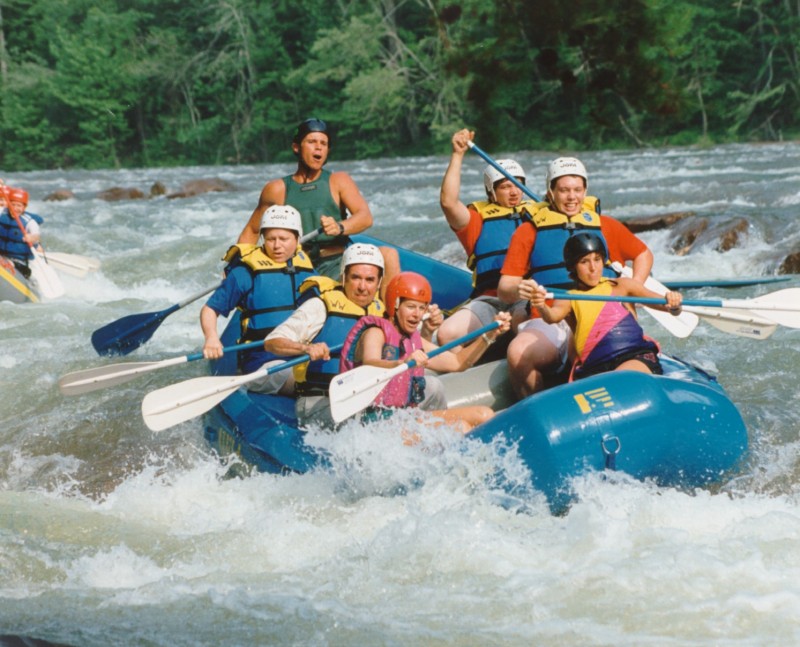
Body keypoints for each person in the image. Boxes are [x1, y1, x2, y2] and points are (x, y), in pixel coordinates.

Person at [498, 156, 655, 397]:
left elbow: (643, 254)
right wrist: (522, 289)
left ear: (585, 191)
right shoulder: (528, 231)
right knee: (518, 353)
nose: (572, 197)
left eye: (577, 190)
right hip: (552, 317)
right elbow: (504, 287)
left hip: (601, 315)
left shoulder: (605, 225)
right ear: (550, 192)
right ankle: (541, 411)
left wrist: (631, 290)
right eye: (564, 190)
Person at [237, 117, 400, 291]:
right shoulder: (276, 189)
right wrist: (236, 266)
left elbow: (365, 217)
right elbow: (252, 231)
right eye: (312, 142)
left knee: (389, 255)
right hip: (299, 266)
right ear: (296, 147)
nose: (318, 147)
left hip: (338, 263)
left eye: (324, 143)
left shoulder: (339, 181)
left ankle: (389, 316)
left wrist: (340, 227)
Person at [339, 272, 511, 434]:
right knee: (461, 428)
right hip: (376, 424)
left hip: (405, 416)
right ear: (395, 305)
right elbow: (370, 362)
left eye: (422, 308)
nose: (417, 314)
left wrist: (489, 336)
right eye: (411, 307)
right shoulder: (376, 332)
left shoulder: (414, 341)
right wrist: (402, 363)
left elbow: (458, 362)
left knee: (485, 415)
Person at [264, 243, 404, 429]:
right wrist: (306, 348)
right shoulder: (320, 307)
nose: (363, 287)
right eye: (355, 278)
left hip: (365, 401)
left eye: (370, 280)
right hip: (320, 400)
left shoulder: (382, 313)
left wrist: (427, 330)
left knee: (433, 388)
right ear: (343, 277)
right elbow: (272, 342)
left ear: (379, 283)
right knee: (362, 426)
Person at [529, 233, 682, 379]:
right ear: (573, 267)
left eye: (597, 259)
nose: (593, 267)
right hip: (594, 367)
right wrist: (541, 306)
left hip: (634, 357)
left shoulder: (623, 286)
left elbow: (666, 306)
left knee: (621, 379)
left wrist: (673, 303)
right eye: (584, 262)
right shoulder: (568, 297)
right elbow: (552, 317)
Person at [200, 205, 317, 395]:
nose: (277, 245)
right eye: (271, 239)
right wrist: (211, 338)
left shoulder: (307, 270)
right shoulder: (245, 272)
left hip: (301, 354)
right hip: (263, 362)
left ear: (297, 239)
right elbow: (209, 309)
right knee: (308, 381)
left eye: (284, 239)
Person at [437, 128, 530, 346]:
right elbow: (448, 203)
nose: (514, 192)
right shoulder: (476, 220)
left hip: (526, 297)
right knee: (446, 334)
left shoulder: (538, 216)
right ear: (491, 191)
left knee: (523, 325)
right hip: (490, 299)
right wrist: (457, 155)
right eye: (506, 187)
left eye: (518, 185)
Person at [0, 187, 44, 276]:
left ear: (24, 207)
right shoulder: (2, 213)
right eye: (13, 205)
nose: (15, 208)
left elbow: (36, 235)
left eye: (19, 205)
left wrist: (31, 237)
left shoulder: (29, 222)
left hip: (20, 260)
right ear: (8, 205)